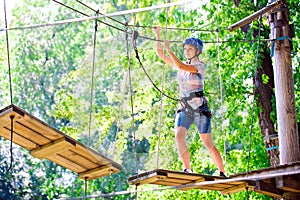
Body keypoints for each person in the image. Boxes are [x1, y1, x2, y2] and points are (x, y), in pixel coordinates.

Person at [152, 26, 226, 177]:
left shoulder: (200, 65)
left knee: (207, 142)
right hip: (185, 107)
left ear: (197, 51)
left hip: (200, 108)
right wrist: (158, 35)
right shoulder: (181, 67)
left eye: (190, 49)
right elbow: (160, 54)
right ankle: (187, 168)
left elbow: (180, 65)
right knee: (179, 135)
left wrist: (170, 50)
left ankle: (222, 171)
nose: (186, 51)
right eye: (185, 49)